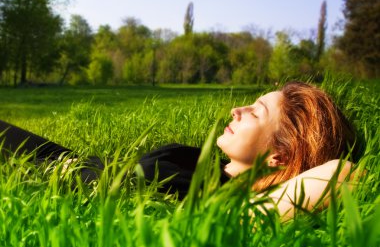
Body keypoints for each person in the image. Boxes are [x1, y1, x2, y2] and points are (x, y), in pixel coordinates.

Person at [0, 82, 359, 219]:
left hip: (48, 174)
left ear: (278, 155)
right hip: (61, 159)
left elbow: (344, 172)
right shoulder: (206, 165)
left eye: (256, 112)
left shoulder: (225, 203)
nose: (238, 109)